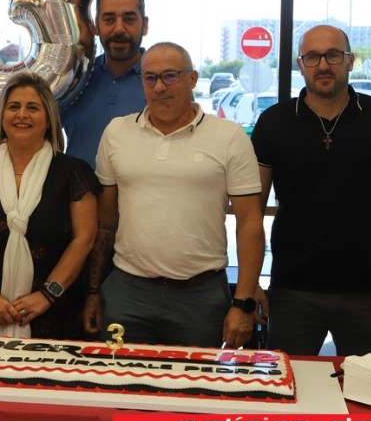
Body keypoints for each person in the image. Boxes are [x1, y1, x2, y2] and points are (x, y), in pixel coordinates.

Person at [83, 42, 265, 349]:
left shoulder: (229, 136)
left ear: (192, 79)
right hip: (127, 293)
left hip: (200, 297)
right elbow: (105, 221)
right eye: (150, 78)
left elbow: (249, 223)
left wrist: (243, 301)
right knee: (120, 377)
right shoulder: (116, 132)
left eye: (170, 76)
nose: (159, 87)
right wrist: (92, 290)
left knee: (196, 380)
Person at [250, 25, 371, 356]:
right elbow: (252, 212)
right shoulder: (274, 122)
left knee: (369, 385)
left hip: (367, 291)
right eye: (312, 57)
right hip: (292, 290)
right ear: (300, 65)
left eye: (333, 55)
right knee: (292, 383)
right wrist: (249, 283)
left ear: (350, 61)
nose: (323, 65)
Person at [0, 71, 99, 341]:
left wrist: (47, 295)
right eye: (14, 107)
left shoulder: (73, 172)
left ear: (49, 119)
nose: (22, 115)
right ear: (2, 116)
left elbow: (84, 240)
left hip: (54, 313)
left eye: (32, 107)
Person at [0, 0, 149, 166]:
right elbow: (25, 138)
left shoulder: (159, 82)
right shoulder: (75, 78)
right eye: (109, 19)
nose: (119, 28)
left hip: (142, 197)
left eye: (129, 19)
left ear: (145, 25)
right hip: (79, 195)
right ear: (94, 26)